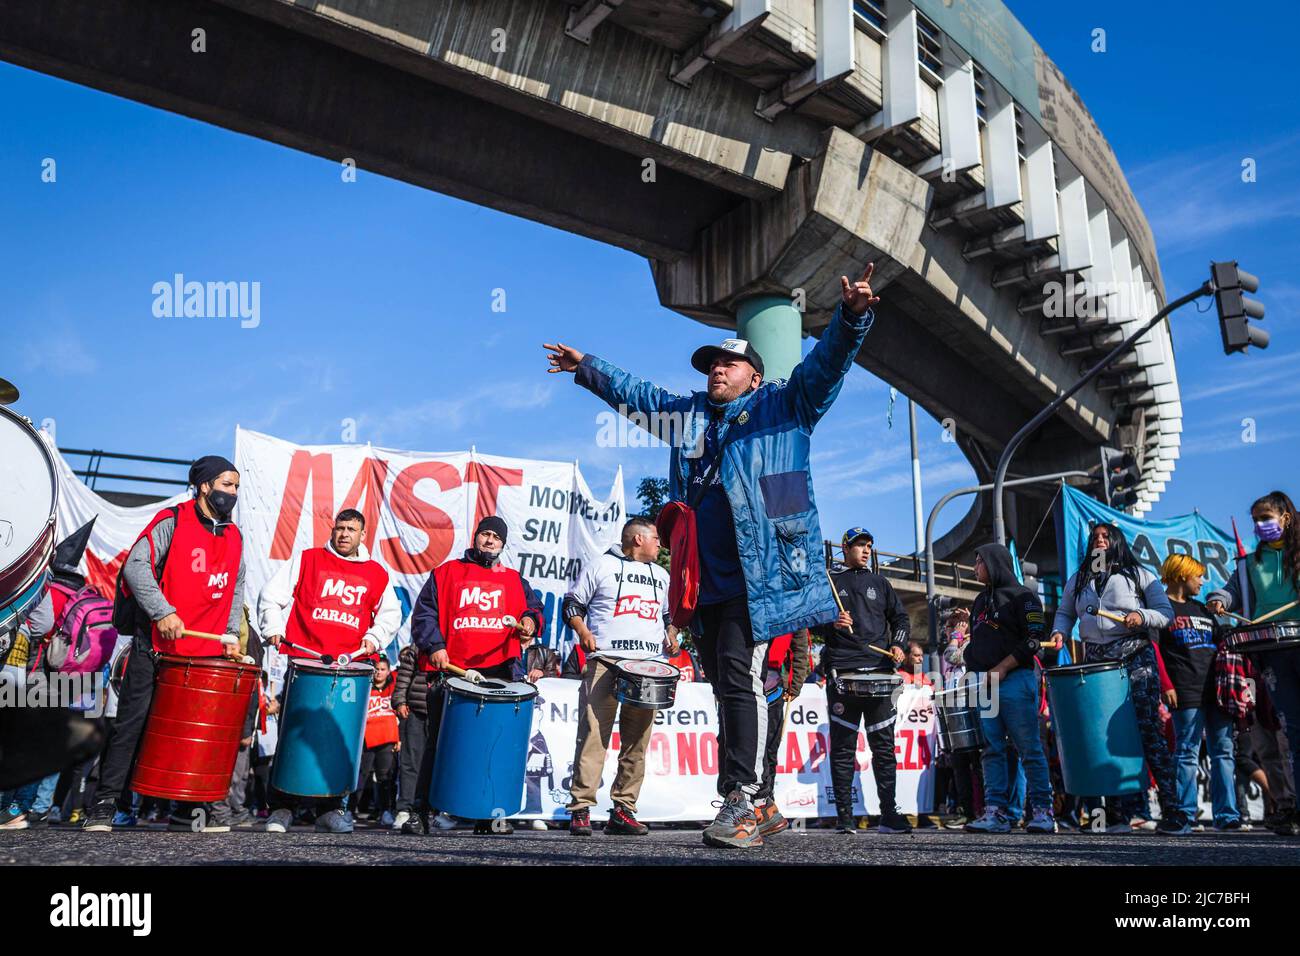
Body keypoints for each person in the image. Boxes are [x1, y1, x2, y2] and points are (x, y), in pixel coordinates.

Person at [546, 262, 882, 848]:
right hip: (700, 583)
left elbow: (827, 364)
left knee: (740, 681)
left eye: (727, 363)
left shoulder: (787, 405)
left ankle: (744, 800)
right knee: (729, 686)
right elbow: (640, 396)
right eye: (709, 365)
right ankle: (756, 800)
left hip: (762, 575)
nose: (715, 371)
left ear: (754, 375)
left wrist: (851, 317)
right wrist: (588, 369)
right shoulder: (690, 419)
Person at [84, 456, 246, 833]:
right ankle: (108, 803)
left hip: (202, 656)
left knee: (189, 731)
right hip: (155, 646)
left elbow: (234, 589)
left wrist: (229, 637)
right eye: (227, 484)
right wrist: (162, 612)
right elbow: (135, 568)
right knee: (131, 726)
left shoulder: (235, 537)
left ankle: (186, 809)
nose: (233, 493)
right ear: (205, 486)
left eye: (236, 486)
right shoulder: (173, 521)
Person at [258, 508, 402, 834]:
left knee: (340, 741)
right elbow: (271, 595)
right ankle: (282, 809)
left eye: (351, 529)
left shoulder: (376, 573)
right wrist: (273, 627)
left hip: (349, 670)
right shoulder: (308, 559)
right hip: (305, 666)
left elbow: (390, 615)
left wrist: (373, 637)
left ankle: (331, 809)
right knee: (293, 738)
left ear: (363, 535)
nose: (344, 534)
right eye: (340, 528)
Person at [407, 515, 545, 835]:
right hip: (452, 673)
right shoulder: (446, 573)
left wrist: (530, 623)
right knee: (438, 744)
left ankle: (490, 815)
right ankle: (421, 812)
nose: (490, 541)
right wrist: (435, 645)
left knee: (493, 746)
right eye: (485, 534)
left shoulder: (514, 579)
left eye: (496, 538)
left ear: (503, 544)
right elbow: (424, 614)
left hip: (499, 674)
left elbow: (534, 610)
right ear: (475, 537)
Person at [1049, 523, 1185, 834]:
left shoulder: (1139, 575)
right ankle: (1113, 817)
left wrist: (1142, 616)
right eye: (1095, 537)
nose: (1099, 540)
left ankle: (1175, 812)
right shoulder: (1079, 578)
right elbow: (1065, 612)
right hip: (1096, 660)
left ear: (1117, 542)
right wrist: (1059, 631)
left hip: (1135, 656)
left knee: (1147, 732)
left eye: (1106, 536)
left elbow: (1165, 612)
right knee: (1102, 739)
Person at [563, 517, 674, 837]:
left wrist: (672, 632)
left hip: (648, 666)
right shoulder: (600, 565)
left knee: (637, 741)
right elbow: (572, 602)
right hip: (606, 661)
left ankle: (623, 809)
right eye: (655, 538)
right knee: (594, 735)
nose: (659, 544)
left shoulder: (661, 574)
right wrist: (582, 630)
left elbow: (668, 615)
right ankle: (581, 808)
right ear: (638, 539)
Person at [1208, 490, 1300, 837]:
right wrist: (1218, 599)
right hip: (1270, 649)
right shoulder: (1249, 563)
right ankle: (1293, 806)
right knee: (1293, 732)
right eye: (1257, 520)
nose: (1261, 525)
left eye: (1266, 518)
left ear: (1285, 518)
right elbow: (1230, 590)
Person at [814, 528, 912, 834]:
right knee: (843, 748)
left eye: (869, 545)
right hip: (843, 670)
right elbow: (811, 619)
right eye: (860, 545)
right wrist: (830, 619)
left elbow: (901, 619)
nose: (866, 550)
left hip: (880, 670)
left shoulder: (880, 582)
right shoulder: (830, 580)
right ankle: (845, 817)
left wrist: (898, 644)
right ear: (845, 548)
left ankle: (889, 814)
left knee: (883, 748)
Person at [964, 544, 1058, 834]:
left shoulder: (1024, 597)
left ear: (994, 563)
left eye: (979, 562)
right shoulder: (980, 601)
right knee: (991, 749)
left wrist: (1003, 667)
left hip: (1015, 681)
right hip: (984, 685)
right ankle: (996, 813)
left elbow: (1034, 640)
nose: (975, 568)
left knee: (1028, 748)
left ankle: (1043, 812)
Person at [1157, 554, 1243, 830]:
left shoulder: (1204, 610)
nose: (1202, 582)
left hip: (1217, 691)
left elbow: (1222, 642)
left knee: (1224, 752)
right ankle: (1184, 814)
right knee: (1186, 752)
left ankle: (1227, 816)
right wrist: (1166, 685)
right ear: (1182, 575)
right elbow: (1154, 649)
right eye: (1198, 576)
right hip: (1185, 690)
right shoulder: (1161, 608)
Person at [754, 628, 811, 836]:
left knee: (769, 749)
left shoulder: (792, 607)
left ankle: (765, 803)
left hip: (773, 683)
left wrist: (795, 685)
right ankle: (739, 803)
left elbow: (800, 648)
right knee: (743, 746)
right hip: (746, 677)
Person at [352, 656, 399, 825]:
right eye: (377, 669)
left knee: (385, 776)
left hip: (387, 737)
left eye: (383, 669)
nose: (379, 672)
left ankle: (385, 810)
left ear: (388, 672)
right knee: (361, 776)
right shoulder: (365, 688)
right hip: (366, 739)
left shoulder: (394, 689)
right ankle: (350, 810)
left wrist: (399, 740)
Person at [392, 643, 430, 831]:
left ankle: (439, 812)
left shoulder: (458, 640)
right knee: (410, 763)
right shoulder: (418, 646)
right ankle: (405, 810)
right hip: (415, 710)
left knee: (443, 763)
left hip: (445, 708)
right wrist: (400, 701)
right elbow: (404, 675)